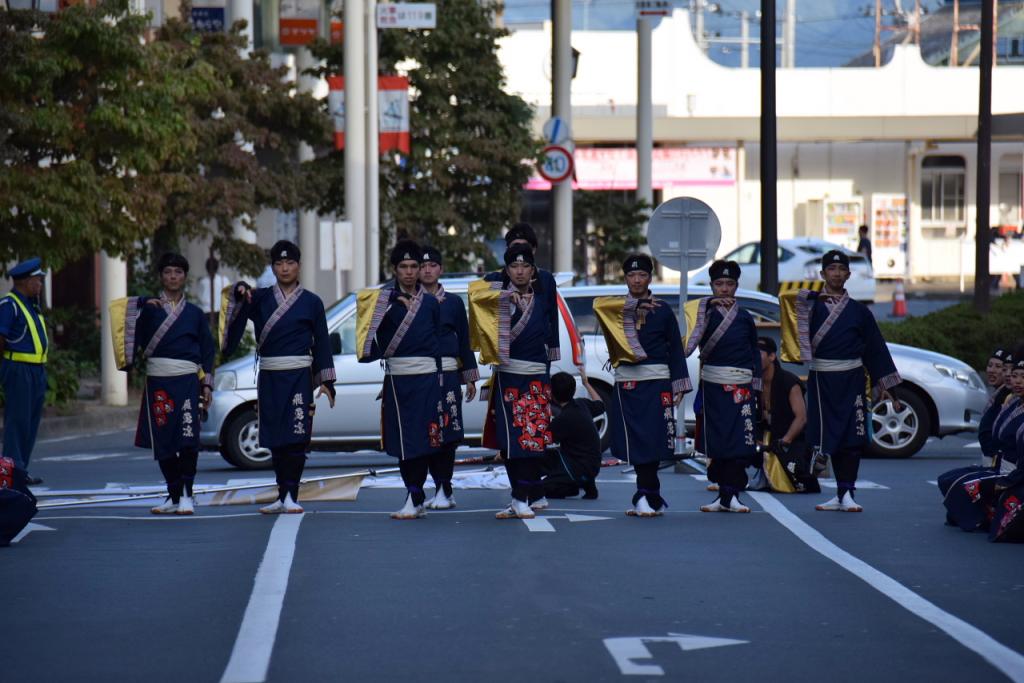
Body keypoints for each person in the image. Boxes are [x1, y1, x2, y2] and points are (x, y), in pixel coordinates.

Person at [779, 249, 901, 512]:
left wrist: (887, 385)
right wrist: (814, 296)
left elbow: (875, 348)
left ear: (848, 274)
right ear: (822, 274)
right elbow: (786, 299)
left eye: (840, 269)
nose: (836, 273)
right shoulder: (810, 305)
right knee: (828, 436)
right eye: (831, 269)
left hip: (853, 379)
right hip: (822, 379)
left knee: (852, 437)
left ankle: (847, 492)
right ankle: (837, 492)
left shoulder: (859, 311)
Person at [222, 241, 336, 514]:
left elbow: (321, 341)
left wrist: (327, 381)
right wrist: (239, 288)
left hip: (299, 375)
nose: (284, 268)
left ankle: (291, 495)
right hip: (271, 374)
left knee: (297, 436)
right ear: (272, 267)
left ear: (298, 265)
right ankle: (280, 493)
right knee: (275, 437)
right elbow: (235, 306)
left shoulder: (312, 302)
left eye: (290, 263)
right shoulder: (258, 298)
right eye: (279, 264)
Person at [113, 253, 216, 514]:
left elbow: (207, 350)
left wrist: (207, 385)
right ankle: (172, 494)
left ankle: (186, 496)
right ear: (161, 276)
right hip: (159, 381)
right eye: (168, 272)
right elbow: (121, 314)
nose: (173, 277)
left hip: (188, 382)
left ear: (184, 276)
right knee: (163, 441)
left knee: (188, 439)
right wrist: (145, 302)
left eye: (178, 272)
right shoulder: (148, 309)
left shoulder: (194, 313)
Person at [593, 254, 690, 517]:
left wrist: (679, 383)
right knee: (635, 440)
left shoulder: (663, 311)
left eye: (642, 275)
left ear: (649, 278)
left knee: (655, 439)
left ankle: (646, 495)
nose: (637, 280)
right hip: (628, 384)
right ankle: (648, 496)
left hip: (657, 383)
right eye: (631, 276)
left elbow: (675, 350)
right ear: (625, 279)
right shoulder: (615, 310)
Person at [469, 244, 557, 520]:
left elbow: (549, 338)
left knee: (532, 441)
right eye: (514, 267)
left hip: (535, 378)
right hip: (508, 378)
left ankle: (522, 498)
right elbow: (474, 295)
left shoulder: (543, 301)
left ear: (533, 271)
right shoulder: (495, 300)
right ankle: (520, 496)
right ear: (506, 271)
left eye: (525, 267)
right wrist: (503, 294)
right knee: (511, 442)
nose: (519, 271)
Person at [357, 240, 444, 520]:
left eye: (414, 266)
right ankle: (413, 494)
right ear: (394, 269)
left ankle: (415, 496)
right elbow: (366, 340)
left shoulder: (431, 303)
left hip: (427, 379)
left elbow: (437, 343)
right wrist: (388, 302)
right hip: (397, 380)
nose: (409, 272)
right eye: (403, 267)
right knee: (404, 441)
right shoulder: (381, 302)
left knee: (423, 439)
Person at [685, 260, 761, 513]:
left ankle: (733, 495)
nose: (724, 289)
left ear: (737, 286)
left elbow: (753, 352)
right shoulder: (702, 314)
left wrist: (757, 388)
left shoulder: (745, 317)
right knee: (717, 441)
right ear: (711, 286)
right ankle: (722, 494)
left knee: (739, 442)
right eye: (719, 284)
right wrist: (707, 306)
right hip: (713, 387)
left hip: (741, 388)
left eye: (729, 284)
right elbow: (687, 344)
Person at [417, 245, 478, 510]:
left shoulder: (453, 302)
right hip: (421, 375)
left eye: (432, 266)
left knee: (449, 432)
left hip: (450, 374)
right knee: (428, 431)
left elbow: (464, 339)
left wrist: (470, 376)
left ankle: (446, 487)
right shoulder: (410, 300)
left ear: (440, 269)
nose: (427, 270)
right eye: (422, 266)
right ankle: (438, 487)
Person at [940, 354, 1024, 533]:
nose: (1015, 380)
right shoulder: (1013, 402)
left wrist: (1008, 480)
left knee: (965, 490)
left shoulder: (1010, 400)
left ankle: (984, 519)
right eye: (1014, 374)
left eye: (1021, 377)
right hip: (999, 466)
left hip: (1014, 473)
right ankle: (982, 516)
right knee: (948, 482)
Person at [0, 258, 48, 486]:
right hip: (19, 369)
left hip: (35, 370)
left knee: (29, 423)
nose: (40, 285)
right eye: (37, 281)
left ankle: (20, 470)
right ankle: (10, 472)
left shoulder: (31, 304)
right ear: (26, 281)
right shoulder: (9, 305)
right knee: (17, 422)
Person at [483, 223, 560, 365]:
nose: (519, 250)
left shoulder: (546, 278)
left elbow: (552, 316)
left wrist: (553, 349)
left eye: (525, 246)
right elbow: (480, 301)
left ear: (534, 250)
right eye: (514, 246)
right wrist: (504, 296)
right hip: (507, 355)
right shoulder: (495, 278)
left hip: (536, 353)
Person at [751, 336, 819, 494]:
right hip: (764, 437)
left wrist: (785, 441)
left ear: (772, 356)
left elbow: (801, 418)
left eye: (758, 353)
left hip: (789, 438)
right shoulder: (754, 381)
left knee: (797, 475)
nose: (753, 357)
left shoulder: (789, 381)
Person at [542, 370, 604, 500]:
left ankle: (570, 486)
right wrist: (586, 383)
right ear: (574, 390)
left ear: (552, 394)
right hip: (593, 464)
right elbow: (600, 404)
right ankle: (588, 485)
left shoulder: (563, 419)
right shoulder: (582, 404)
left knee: (538, 489)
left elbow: (541, 441)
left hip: (579, 467)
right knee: (558, 453)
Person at [979, 349, 1013, 468]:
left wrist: (992, 452)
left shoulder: (1008, 396)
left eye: (998, 367)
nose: (992, 370)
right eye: (990, 365)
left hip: (997, 460)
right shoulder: (998, 394)